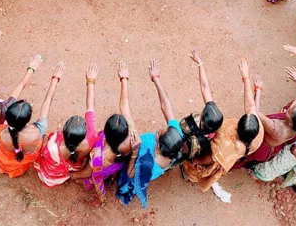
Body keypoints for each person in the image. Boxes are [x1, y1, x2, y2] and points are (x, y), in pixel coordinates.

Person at [182, 57, 263, 195]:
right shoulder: (257, 131)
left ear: (237, 127)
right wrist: (246, 79)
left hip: (216, 157)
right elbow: (251, 107)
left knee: (196, 166)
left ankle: (188, 175)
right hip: (228, 156)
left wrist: (195, 160)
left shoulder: (224, 143)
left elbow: (210, 159)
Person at [115, 59, 185, 207]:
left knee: (128, 181)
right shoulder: (176, 136)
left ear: (158, 144)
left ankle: (122, 195)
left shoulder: (148, 162)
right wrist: (156, 79)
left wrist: (134, 153)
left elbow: (131, 174)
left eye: (161, 132)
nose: (161, 128)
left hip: (136, 170)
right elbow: (166, 106)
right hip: (150, 171)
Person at [0, 61, 64, 178]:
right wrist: (55, 79)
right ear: (28, 120)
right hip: (21, 163)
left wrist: (31, 69)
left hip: (4, 162)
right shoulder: (38, 131)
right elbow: (47, 101)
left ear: (7, 116)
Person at [76, 61, 139, 203]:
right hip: (120, 165)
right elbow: (125, 105)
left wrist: (90, 81)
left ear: (106, 133)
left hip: (104, 170)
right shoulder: (132, 134)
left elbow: (92, 175)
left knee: (87, 175)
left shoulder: (100, 155)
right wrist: (124, 80)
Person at [34, 63, 99, 187]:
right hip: (72, 168)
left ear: (63, 131)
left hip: (52, 176)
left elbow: (42, 152)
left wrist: (55, 79)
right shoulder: (90, 138)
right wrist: (91, 80)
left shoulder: (51, 147)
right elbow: (90, 106)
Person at [234, 94, 296, 169]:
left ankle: (227, 167)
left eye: (289, 112)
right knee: (247, 160)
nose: (288, 110)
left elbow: (254, 112)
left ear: (290, 122)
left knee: (241, 156)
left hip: (261, 148)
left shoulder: (275, 129)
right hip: (270, 150)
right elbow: (289, 142)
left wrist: (258, 91)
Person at [177, 48, 224, 162]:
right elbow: (205, 87)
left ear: (202, 121)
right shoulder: (212, 123)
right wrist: (200, 63)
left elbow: (181, 149)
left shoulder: (196, 140)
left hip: (179, 148)